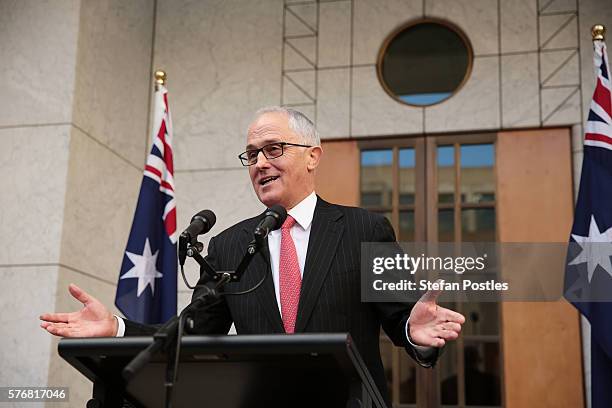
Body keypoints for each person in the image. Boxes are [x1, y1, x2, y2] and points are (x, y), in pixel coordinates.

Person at [40, 106, 465, 402]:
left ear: (313, 156)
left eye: (274, 149)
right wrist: (115, 328)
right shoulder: (228, 245)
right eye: (252, 155)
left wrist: (415, 330)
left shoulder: (363, 230)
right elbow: (186, 335)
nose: (260, 163)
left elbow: (403, 323)